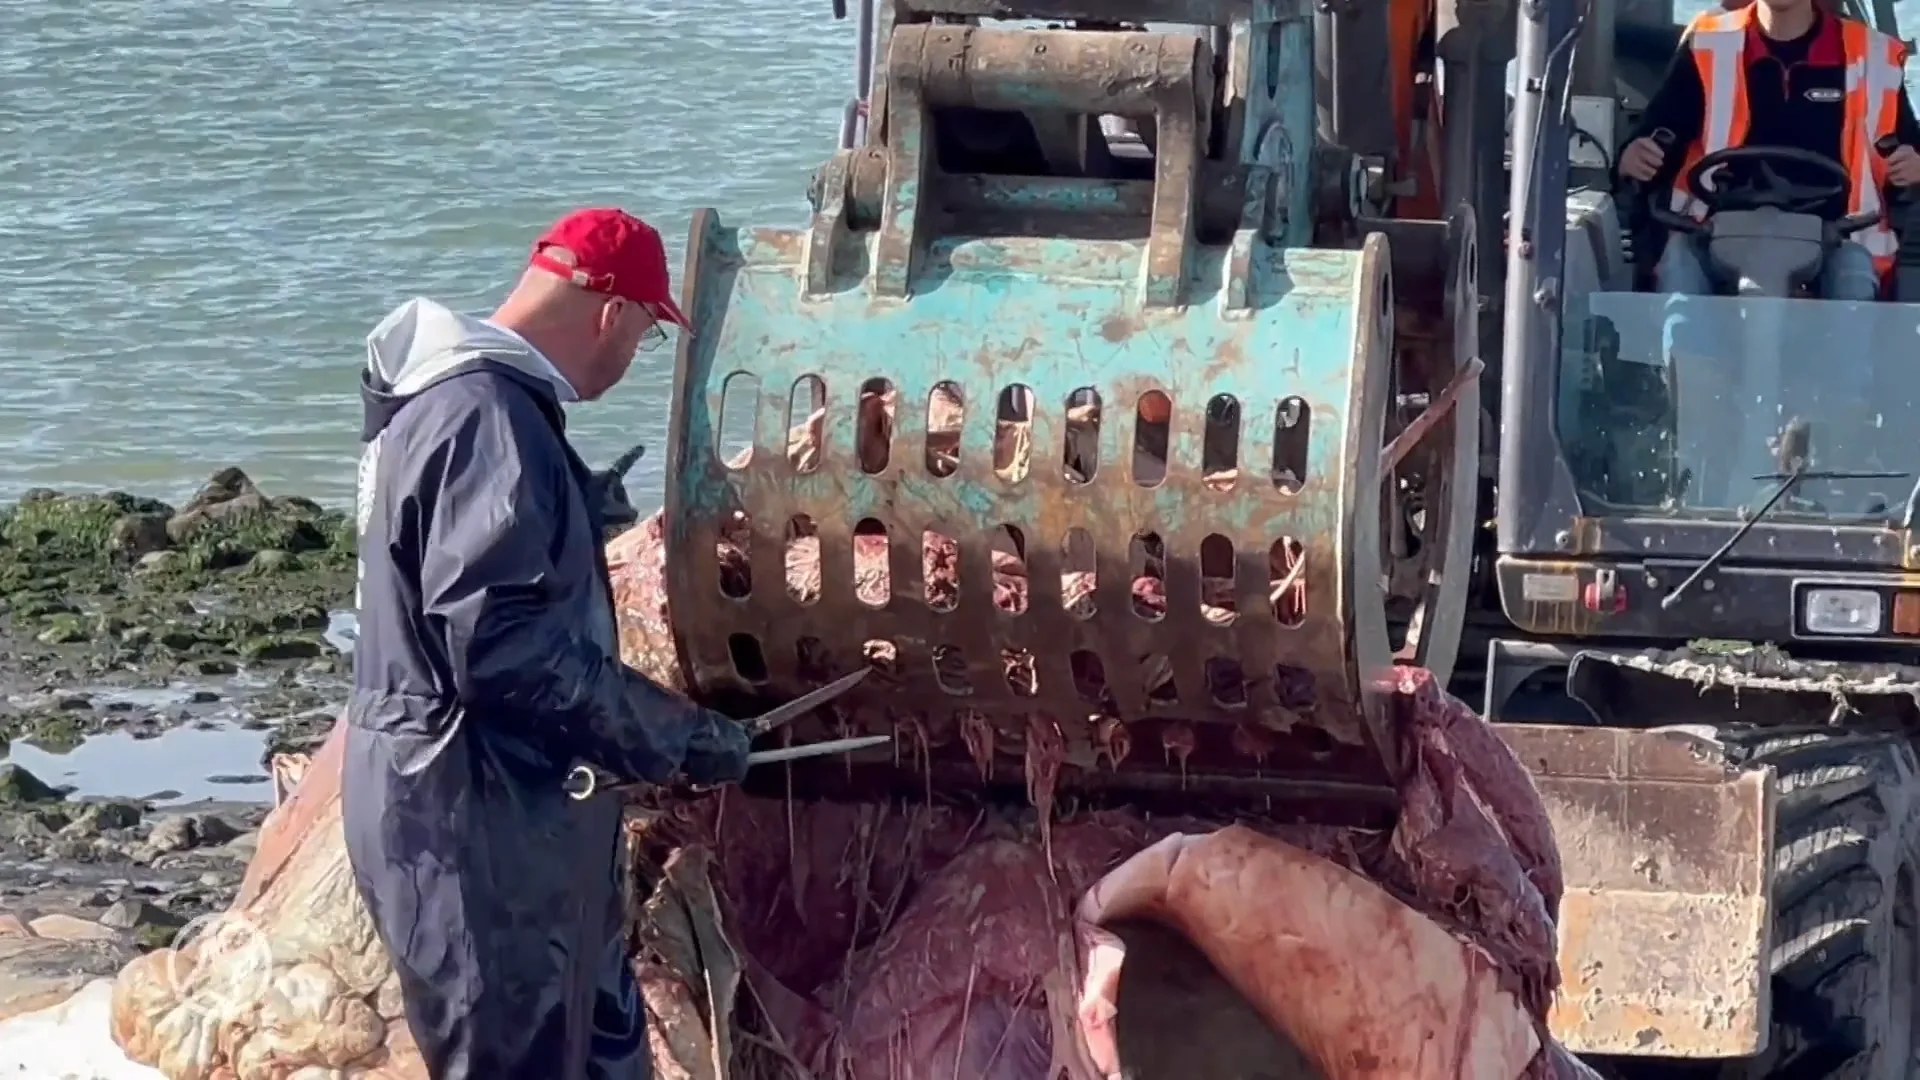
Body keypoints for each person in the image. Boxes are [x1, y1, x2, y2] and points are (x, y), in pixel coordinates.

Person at [344, 207, 753, 1079]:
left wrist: (568, 521)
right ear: (610, 311)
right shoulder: (486, 418)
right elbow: (502, 648)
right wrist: (674, 736)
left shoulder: (456, 405)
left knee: (599, 1051)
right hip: (470, 819)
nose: (633, 354)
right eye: (645, 333)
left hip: (503, 807)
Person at [1617, 0, 1920, 299]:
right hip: (1714, 232)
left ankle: (1853, 332)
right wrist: (1635, 156)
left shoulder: (1873, 56)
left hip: (1837, 237)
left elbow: (1905, 150)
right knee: (1678, 272)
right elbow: (1659, 131)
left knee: (1854, 282)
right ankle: (1677, 335)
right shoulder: (1708, 44)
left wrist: (1912, 166)